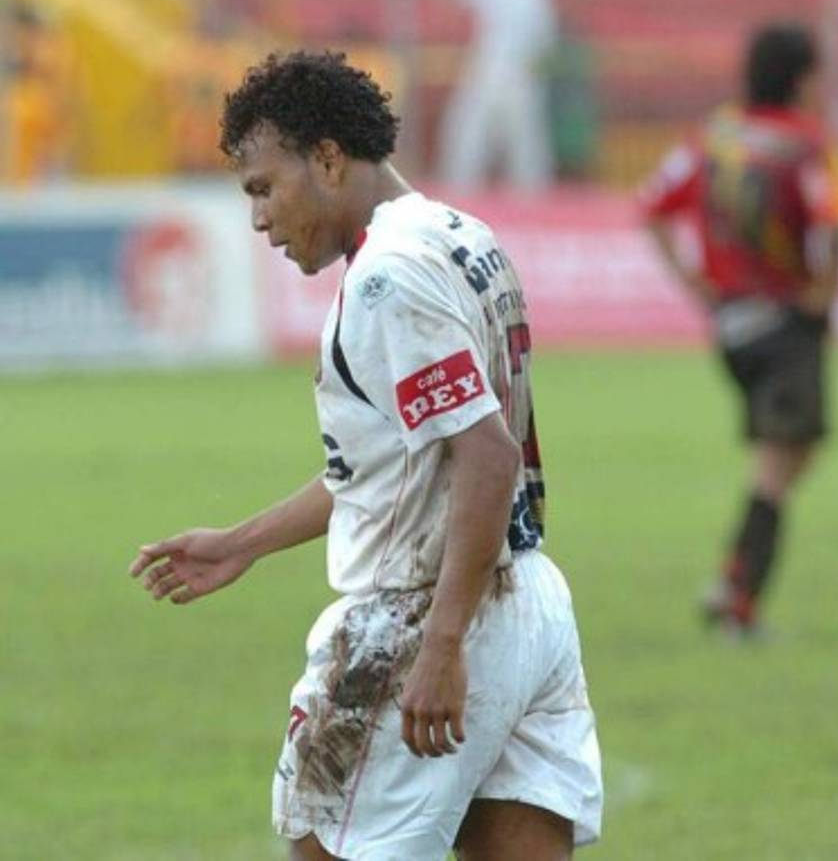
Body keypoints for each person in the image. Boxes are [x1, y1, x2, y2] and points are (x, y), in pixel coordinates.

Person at [130, 50, 602, 860]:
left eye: (264, 188)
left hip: (424, 614)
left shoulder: (387, 280)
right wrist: (242, 543)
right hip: (529, 605)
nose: (259, 219)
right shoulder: (461, 236)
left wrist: (442, 643)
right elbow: (398, 467)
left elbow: (486, 457)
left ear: (326, 159)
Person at [637, 23, 838, 636]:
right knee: (780, 462)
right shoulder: (810, 144)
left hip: (730, 324)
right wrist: (825, 293)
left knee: (791, 451)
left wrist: (693, 281)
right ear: (801, 78)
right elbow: (833, 221)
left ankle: (734, 586)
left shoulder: (714, 135)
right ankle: (736, 596)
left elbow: (652, 204)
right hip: (786, 320)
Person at [438, 0, 557, 190]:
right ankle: (458, 191)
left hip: (522, 74)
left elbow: (545, 34)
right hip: (484, 70)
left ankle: (531, 196)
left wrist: (534, 68)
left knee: (524, 139)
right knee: (467, 133)